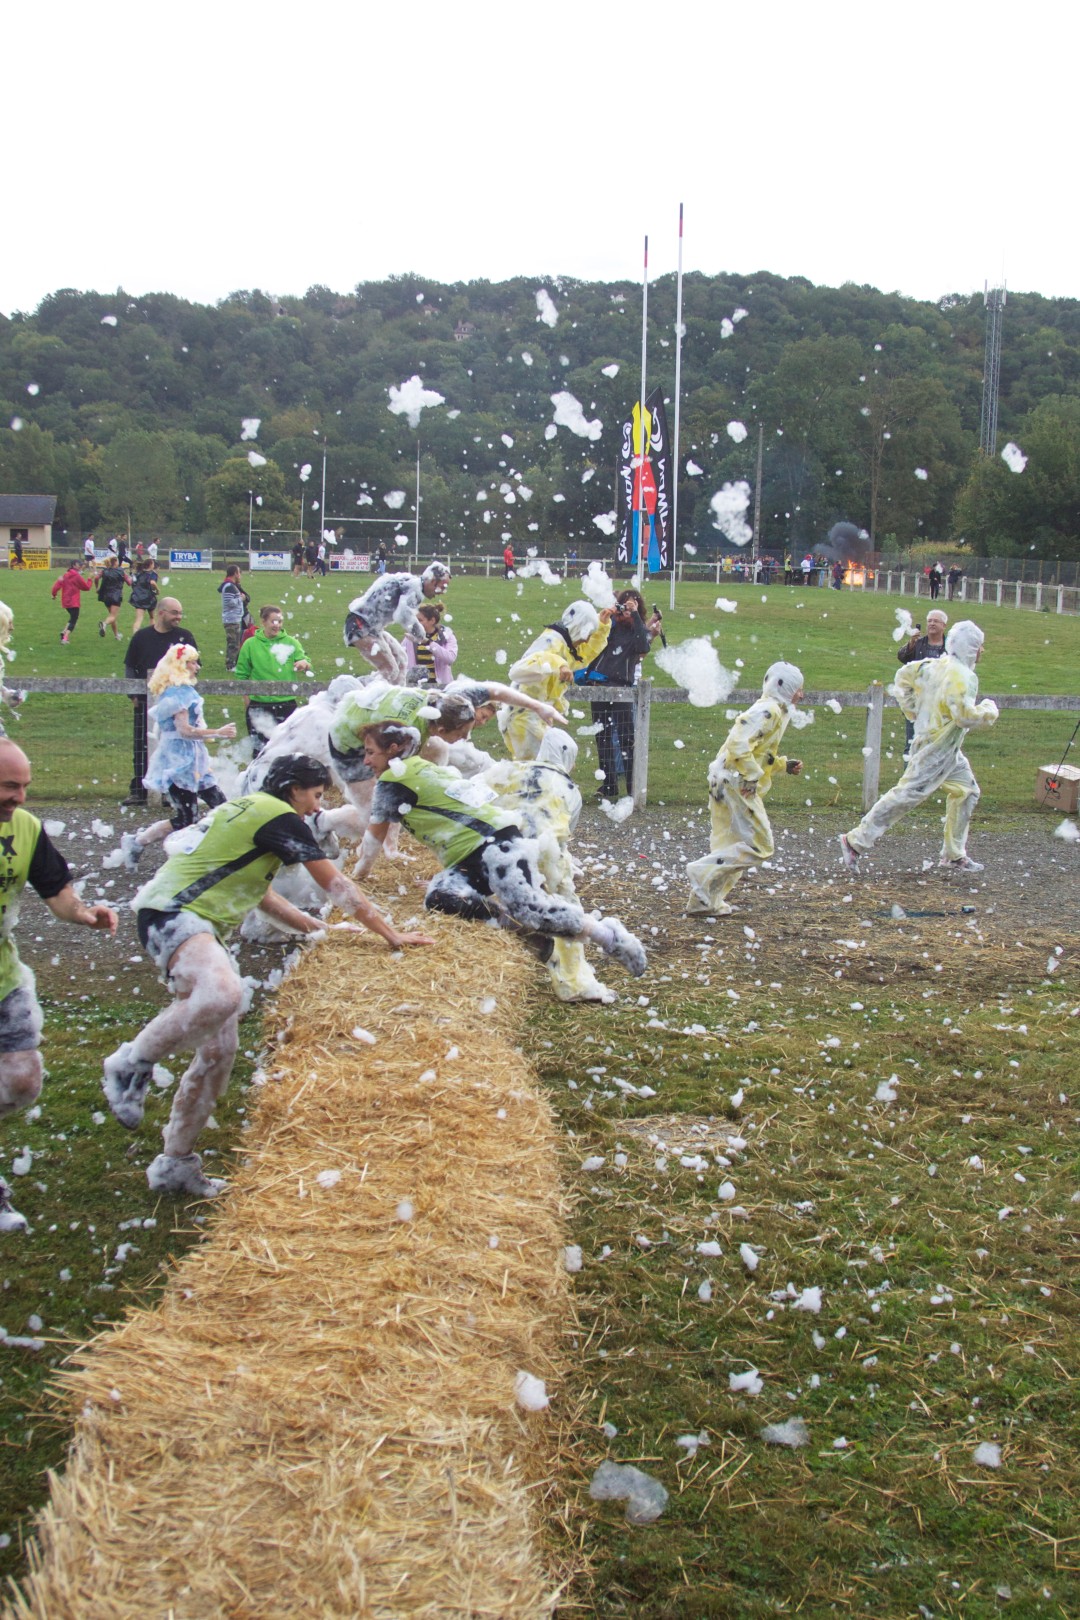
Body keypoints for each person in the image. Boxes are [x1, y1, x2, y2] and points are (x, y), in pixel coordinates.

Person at [102, 754, 433, 1198]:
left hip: (184, 920)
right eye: (316, 795)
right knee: (224, 993)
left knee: (218, 1054)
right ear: (293, 789)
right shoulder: (279, 815)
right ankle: (131, 1064)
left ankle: (175, 1164)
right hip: (174, 914)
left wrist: (320, 930)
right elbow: (337, 885)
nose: (318, 806)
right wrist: (391, 934)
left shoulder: (252, 811)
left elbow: (262, 895)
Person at [355, 723, 646, 980]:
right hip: (476, 853)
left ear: (393, 749)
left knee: (532, 910)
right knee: (439, 897)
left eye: (370, 753)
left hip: (497, 845)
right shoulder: (417, 767)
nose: (366, 760)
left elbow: (374, 837)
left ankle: (610, 937)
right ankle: (519, 928)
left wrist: (359, 877)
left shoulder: (392, 781)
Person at [0, 742, 118, 1232]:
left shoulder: (24, 828)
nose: (20, 797)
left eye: (24, 786)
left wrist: (84, 914)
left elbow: (56, 890)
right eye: (10, 786)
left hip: (4, 976)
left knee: (22, 1081)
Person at [840, 621, 998, 875]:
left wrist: (912, 709)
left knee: (967, 791)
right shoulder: (964, 676)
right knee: (906, 794)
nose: (982, 651)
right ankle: (855, 840)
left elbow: (902, 676)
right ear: (970, 648)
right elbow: (965, 718)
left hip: (946, 749)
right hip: (935, 750)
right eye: (979, 646)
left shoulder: (934, 664)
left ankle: (953, 854)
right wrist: (989, 710)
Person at [483, 730, 618, 1003]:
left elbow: (487, 797)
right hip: (545, 848)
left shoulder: (514, 769)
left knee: (498, 894)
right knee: (565, 907)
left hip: (504, 843)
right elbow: (565, 835)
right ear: (567, 757)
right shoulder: (569, 788)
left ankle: (513, 936)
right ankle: (572, 982)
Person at [685, 662, 805, 917]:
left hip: (725, 778)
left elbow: (759, 751)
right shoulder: (770, 710)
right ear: (786, 687)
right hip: (737, 782)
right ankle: (700, 871)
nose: (801, 695)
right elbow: (737, 743)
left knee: (730, 846)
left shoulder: (773, 710)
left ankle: (703, 901)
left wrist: (783, 765)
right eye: (798, 689)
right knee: (761, 846)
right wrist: (751, 775)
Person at [118, 646, 236, 871]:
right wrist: (217, 732)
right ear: (181, 665)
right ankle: (138, 842)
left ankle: (219, 851)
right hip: (179, 760)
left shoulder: (183, 691)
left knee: (222, 807)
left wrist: (206, 734)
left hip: (194, 758)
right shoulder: (177, 694)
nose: (197, 667)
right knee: (187, 817)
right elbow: (184, 730)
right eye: (193, 663)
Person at [501, 601, 613, 760]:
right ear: (578, 628)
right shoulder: (550, 641)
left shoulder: (565, 643)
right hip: (523, 717)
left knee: (546, 765)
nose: (587, 640)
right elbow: (518, 670)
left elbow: (583, 655)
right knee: (538, 768)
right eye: (587, 634)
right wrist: (558, 664)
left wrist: (601, 627)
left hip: (535, 716)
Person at [576, 589, 660, 800]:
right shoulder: (610, 626)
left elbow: (642, 646)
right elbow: (593, 636)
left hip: (623, 688)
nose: (627, 610)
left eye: (633, 605)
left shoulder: (637, 630)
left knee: (627, 739)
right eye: (625, 605)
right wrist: (610, 613)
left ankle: (632, 786)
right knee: (602, 737)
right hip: (600, 685)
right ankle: (609, 784)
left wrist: (637, 617)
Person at [124, 599, 198, 807]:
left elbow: (194, 667)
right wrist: (133, 695)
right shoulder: (141, 637)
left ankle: (172, 791)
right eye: (174, 613)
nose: (178, 617)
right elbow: (130, 667)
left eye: (180, 613)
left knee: (174, 747)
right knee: (142, 744)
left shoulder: (185, 638)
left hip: (176, 705)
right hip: (146, 703)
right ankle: (140, 790)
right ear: (161, 613)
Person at [343, 563, 451, 683]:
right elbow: (403, 614)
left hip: (371, 628)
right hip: (360, 626)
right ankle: (361, 689)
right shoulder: (414, 588)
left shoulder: (410, 581)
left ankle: (396, 692)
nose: (443, 591)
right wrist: (421, 636)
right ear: (432, 581)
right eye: (443, 586)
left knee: (402, 661)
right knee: (390, 670)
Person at [234, 604, 312, 755]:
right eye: (273, 621)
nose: (277, 625)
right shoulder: (250, 644)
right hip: (260, 704)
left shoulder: (291, 642)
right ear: (263, 622)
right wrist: (247, 701)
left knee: (289, 750)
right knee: (260, 750)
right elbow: (242, 675)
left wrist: (304, 663)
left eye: (280, 621)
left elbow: (305, 660)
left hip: (287, 704)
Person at [898, 609, 947, 757]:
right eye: (929, 621)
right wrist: (911, 643)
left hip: (941, 704)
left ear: (944, 625)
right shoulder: (918, 643)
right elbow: (902, 657)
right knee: (912, 744)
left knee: (938, 746)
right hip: (917, 704)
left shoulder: (950, 646)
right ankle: (910, 771)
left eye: (936, 621)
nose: (932, 623)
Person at [405, 602, 457, 687]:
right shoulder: (411, 637)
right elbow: (400, 658)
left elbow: (450, 658)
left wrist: (428, 643)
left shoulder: (446, 636)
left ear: (432, 620)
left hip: (440, 687)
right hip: (417, 687)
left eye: (420, 620)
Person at [52, 560, 94, 643]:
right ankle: (65, 638)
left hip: (65, 601)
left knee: (72, 617)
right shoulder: (77, 576)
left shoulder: (66, 574)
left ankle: (63, 632)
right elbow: (86, 588)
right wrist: (90, 579)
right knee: (74, 619)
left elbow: (57, 585)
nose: (80, 566)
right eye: (79, 565)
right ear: (73, 565)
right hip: (73, 602)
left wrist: (54, 594)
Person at [218, 565, 251, 672]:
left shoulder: (232, 585)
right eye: (239, 573)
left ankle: (233, 663)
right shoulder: (229, 586)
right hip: (231, 619)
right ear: (235, 573)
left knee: (236, 642)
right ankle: (230, 666)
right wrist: (241, 598)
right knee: (233, 643)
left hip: (235, 618)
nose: (240, 575)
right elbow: (229, 602)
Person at [96, 556, 130, 641]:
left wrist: (97, 588)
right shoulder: (121, 571)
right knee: (113, 616)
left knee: (111, 615)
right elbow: (129, 583)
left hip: (106, 596)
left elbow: (96, 578)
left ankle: (116, 635)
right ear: (115, 562)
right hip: (116, 596)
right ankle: (104, 624)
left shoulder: (104, 571)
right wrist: (132, 579)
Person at [128, 558, 159, 635]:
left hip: (139, 598)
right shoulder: (152, 574)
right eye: (153, 563)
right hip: (149, 598)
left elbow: (133, 583)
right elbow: (152, 583)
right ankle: (153, 636)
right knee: (152, 617)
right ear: (151, 565)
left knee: (138, 619)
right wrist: (157, 590)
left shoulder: (138, 573)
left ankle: (135, 636)